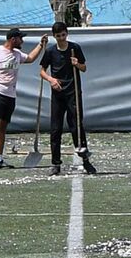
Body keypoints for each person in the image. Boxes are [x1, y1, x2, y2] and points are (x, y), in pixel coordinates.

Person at [0, 28, 47, 170]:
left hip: (10, 94)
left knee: (3, 127)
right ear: (13, 39)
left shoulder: (17, 54)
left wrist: (40, 44)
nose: (22, 41)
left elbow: (30, 58)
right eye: (20, 38)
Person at [37, 22, 91, 175]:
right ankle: (55, 163)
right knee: (56, 129)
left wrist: (77, 64)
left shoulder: (75, 48)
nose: (61, 38)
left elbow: (84, 68)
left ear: (67, 34)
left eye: (63, 35)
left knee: (77, 126)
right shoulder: (50, 51)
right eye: (58, 35)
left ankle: (86, 161)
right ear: (54, 36)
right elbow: (42, 71)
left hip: (73, 92)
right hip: (57, 93)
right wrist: (51, 80)